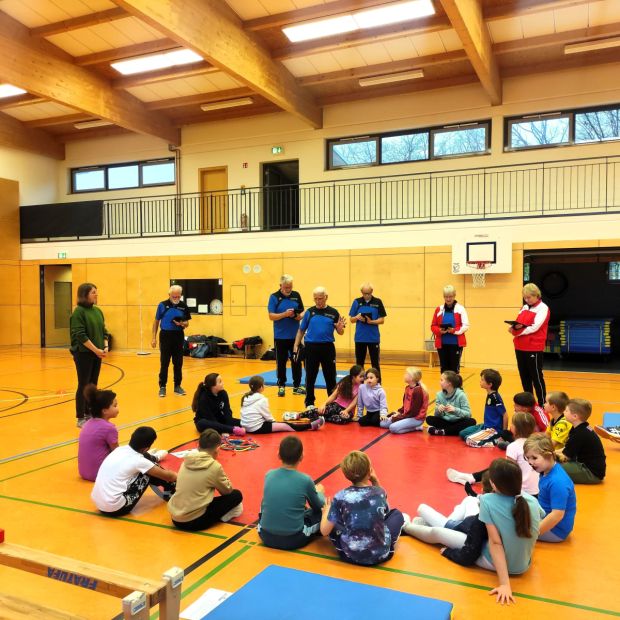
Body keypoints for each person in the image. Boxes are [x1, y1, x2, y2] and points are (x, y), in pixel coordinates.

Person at [413, 459, 544, 605]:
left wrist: (505, 584)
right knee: (469, 502)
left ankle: (406, 525)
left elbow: (495, 543)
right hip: (523, 563)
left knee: (437, 531)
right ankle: (434, 522)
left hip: (497, 562)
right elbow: (537, 523)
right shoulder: (530, 500)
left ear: (493, 484)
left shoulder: (488, 501)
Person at [321, 451, 405, 566]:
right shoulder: (379, 492)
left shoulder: (340, 496)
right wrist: (375, 481)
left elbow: (324, 531)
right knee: (397, 514)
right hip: (381, 556)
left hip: (350, 556)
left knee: (335, 521)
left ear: (346, 474)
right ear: (369, 471)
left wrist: (326, 512)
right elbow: (385, 512)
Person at [403, 473, 493, 568]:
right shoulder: (504, 505)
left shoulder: (482, 519)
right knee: (470, 499)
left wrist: (449, 552)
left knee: (422, 510)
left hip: (467, 531)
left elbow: (468, 555)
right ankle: (432, 525)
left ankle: (406, 526)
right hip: (470, 526)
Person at [447, 412, 539, 497]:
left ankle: (479, 496)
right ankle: (472, 477)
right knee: (501, 465)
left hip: (519, 492)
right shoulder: (537, 444)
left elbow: (510, 473)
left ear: (514, 428)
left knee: (498, 467)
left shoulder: (513, 446)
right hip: (536, 492)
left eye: (512, 424)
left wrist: (495, 486)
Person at [91, 426, 177, 517]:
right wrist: (183, 476)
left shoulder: (119, 450)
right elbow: (168, 476)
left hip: (99, 503)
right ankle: (170, 489)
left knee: (146, 467)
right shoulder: (139, 461)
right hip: (116, 508)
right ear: (146, 448)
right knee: (148, 471)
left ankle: (168, 485)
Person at [258, 436, 325, 550]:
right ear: (301, 457)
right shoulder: (305, 480)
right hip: (294, 539)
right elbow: (319, 506)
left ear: (278, 455)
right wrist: (320, 493)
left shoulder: (268, 474)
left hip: (265, 535)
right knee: (324, 513)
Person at [168, 429, 243, 530]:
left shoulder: (185, 461)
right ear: (217, 449)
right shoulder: (214, 466)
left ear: (198, 446)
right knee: (236, 495)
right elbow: (227, 491)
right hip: (193, 522)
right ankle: (222, 517)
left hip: (175, 518)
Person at [294, 286, 346, 409]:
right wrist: (296, 345)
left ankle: (332, 402)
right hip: (311, 348)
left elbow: (341, 332)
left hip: (327, 348)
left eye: (320, 298)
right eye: (315, 299)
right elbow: (301, 330)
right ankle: (309, 402)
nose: (318, 301)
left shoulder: (333, 313)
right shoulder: (309, 312)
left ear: (326, 297)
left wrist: (339, 328)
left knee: (330, 376)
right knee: (310, 376)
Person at [70, 283, 110, 428]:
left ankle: (90, 413)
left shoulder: (98, 311)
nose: (96, 295)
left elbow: (104, 331)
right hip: (83, 353)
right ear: (85, 294)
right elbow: (79, 334)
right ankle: (81, 416)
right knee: (83, 384)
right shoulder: (78, 312)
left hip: (97, 353)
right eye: (93, 292)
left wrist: (105, 346)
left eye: (96, 292)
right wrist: (95, 349)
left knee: (93, 384)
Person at [524, 433, 576, 542]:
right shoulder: (546, 471)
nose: (530, 462)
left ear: (548, 455)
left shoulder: (558, 482)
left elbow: (557, 515)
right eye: (527, 458)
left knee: (509, 528)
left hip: (556, 530)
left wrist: (532, 533)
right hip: (545, 517)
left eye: (534, 458)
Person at [509, 283, 550, 406]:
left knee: (536, 377)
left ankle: (542, 403)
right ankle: (529, 403)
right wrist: (513, 327)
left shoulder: (543, 308)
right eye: (525, 298)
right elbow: (519, 323)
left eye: (529, 297)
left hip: (533, 347)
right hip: (520, 347)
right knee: (524, 376)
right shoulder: (524, 308)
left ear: (536, 295)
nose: (526, 300)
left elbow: (535, 327)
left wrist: (518, 332)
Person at [240, 375, 324, 433]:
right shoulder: (262, 400)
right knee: (287, 426)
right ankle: (310, 426)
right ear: (261, 387)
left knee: (282, 424)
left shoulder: (245, 397)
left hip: (245, 426)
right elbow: (268, 417)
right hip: (255, 428)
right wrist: (275, 423)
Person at [267, 275, 305, 398]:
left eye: (290, 287)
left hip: (295, 336)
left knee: (297, 361)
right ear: (280, 286)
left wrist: (299, 316)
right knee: (281, 362)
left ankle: (297, 386)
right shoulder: (274, 297)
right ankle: (281, 386)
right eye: (286, 287)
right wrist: (284, 314)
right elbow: (271, 316)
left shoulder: (296, 295)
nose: (288, 289)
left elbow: (302, 311)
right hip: (280, 337)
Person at [152, 285, 191, 397]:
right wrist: (153, 337)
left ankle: (177, 386)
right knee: (164, 362)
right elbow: (156, 322)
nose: (176, 298)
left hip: (178, 335)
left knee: (178, 363)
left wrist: (182, 323)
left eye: (178, 296)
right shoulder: (162, 305)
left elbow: (187, 323)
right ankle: (162, 386)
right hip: (165, 336)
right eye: (174, 296)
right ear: (169, 295)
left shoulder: (183, 306)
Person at [556, 398, 606, 484]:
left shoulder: (580, 434)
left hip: (591, 473)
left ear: (575, 416)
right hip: (587, 466)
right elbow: (567, 448)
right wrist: (553, 452)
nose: (564, 412)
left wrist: (549, 454)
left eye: (566, 411)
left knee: (551, 466)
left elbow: (565, 456)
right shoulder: (580, 428)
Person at [78, 384, 119, 481]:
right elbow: (117, 452)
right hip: (99, 474)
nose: (117, 408)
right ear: (104, 411)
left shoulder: (87, 423)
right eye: (115, 406)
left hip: (84, 472)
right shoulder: (109, 428)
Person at [459, 369, 507, 442]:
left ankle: (495, 440)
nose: (480, 381)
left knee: (468, 439)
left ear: (489, 384)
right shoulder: (489, 393)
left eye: (482, 380)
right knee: (462, 433)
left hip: (493, 430)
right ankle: (482, 432)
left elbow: (505, 415)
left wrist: (503, 434)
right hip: (485, 425)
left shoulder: (495, 398)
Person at [430, 285, 469, 373]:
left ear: (454, 296)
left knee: (454, 370)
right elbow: (433, 326)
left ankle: (455, 387)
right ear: (444, 297)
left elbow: (466, 325)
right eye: (446, 297)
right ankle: (445, 387)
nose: (448, 299)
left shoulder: (460, 309)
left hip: (456, 344)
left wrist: (454, 330)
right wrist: (439, 331)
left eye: (450, 296)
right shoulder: (439, 309)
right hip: (442, 345)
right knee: (444, 370)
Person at [349, 283, 387, 371]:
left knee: (375, 363)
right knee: (359, 364)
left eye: (368, 293)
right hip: (360, 338)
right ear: (361, 292)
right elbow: (351, 320)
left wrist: (371, 322)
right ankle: (359, 384)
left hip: (373, 338)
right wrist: (356, 317)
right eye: (365, 293)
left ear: (372, 292)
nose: (367, 295)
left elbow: (382, 320)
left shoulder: (378, 302)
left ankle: (377, 383)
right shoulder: (357, 302)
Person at [425, 371, 475, 436]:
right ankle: (451, 431)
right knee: (429, 419)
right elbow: (436, 415)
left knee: (472, 421)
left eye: (441, 380)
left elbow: (468, 414)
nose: (440, 382)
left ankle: (443, 431)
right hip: (445, 421)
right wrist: (438, 409)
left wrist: (455, 410)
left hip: (458, 421)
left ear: (449, 383)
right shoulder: (439, 395)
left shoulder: (461, 395)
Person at [380, 367, 428, 434]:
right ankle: (407, 425)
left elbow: (413, 413)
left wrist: (398, 417)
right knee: (383, 424)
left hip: (416, 418)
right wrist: (399, 412)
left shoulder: (417, 391)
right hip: (406, 415)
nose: (404, 375)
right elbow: (405, 405)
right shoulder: (408, 388)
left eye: (406, 374)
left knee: (393, 428)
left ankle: (415, 427)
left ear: (412, 378)